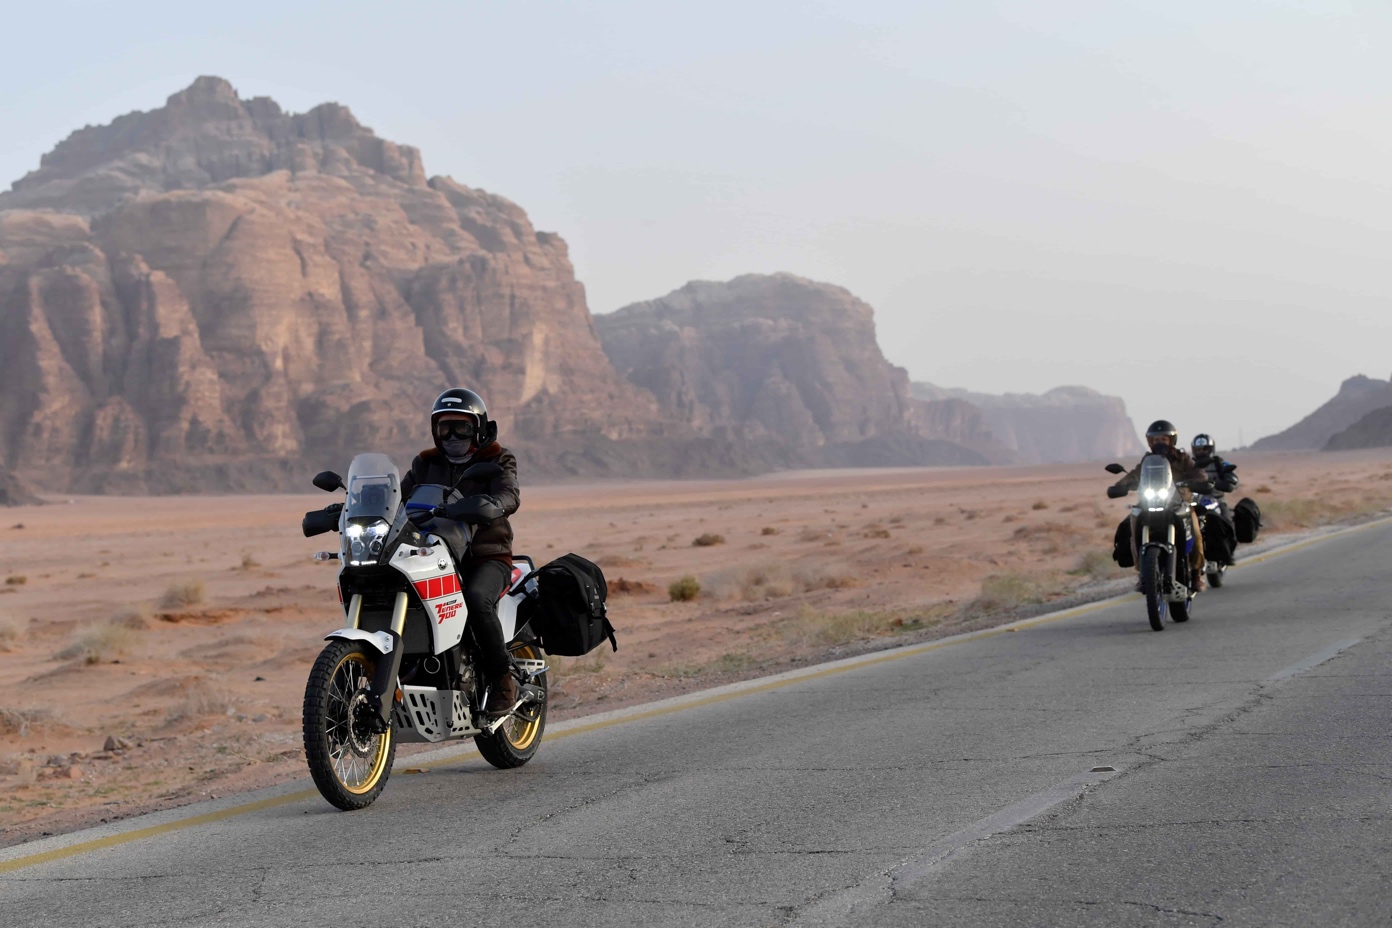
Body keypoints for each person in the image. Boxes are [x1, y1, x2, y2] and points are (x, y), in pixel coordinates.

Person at [400, 388, 521, 719]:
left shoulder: (497, 458)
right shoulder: (425, 464)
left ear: (478, 428)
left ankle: (502, 680)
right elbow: (399, 499)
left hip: (486, 555)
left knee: (477, 598)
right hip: (434, 553)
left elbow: (509, 492)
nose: (452, 436)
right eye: (445, 428)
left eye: (461, 428)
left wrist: (495, 504)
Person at [1109, 419, 1210, 589]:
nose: (1159, 443)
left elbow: (1199, 474)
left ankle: (1196, 574)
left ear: (1171, 441)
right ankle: (1143, 574)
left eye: (1163, 439)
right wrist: (1120, 486)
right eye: (1155, 440)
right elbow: (1133, 476)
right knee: (1132, 527)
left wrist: (1197, 481)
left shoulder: (1183, 458)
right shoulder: (1147, 461)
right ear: (1150, 442)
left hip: (1179, 504)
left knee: (1196, 533)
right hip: (1150, 502)